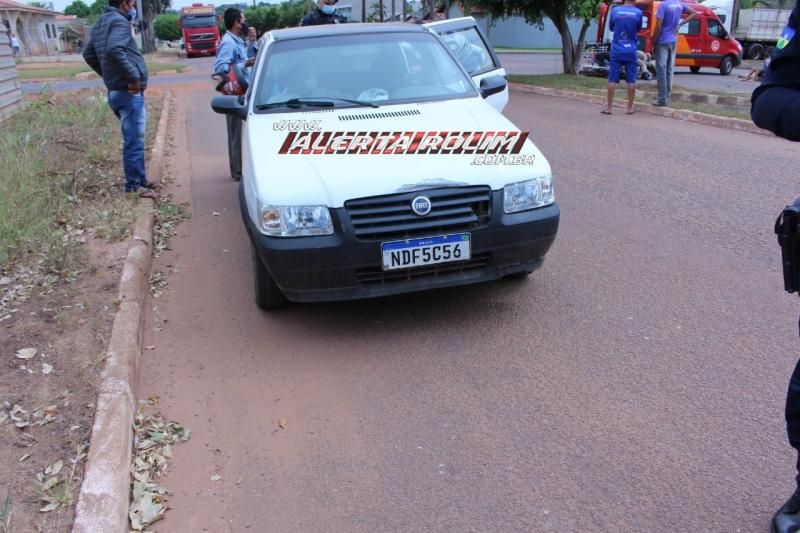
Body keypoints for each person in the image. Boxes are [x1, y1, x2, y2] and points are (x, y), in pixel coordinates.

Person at [82, 0, 158, 199]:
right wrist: (132, 77)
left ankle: (140, 179)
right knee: (133, 140)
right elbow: (114, 50)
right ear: (125, 3)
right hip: (128, 92)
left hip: (116, 91)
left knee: (135, 138)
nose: (133, 6)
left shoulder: (101, 22)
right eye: (132, 2)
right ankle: (134, 186)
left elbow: (88, 53)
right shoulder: (119, 22)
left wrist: (109, 75)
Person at [214, 8, 256, 181]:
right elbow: (220, 69)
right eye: (243, 20)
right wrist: (243, 64)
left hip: (245, 90)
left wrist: (252, 42)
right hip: (234, 94)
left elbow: (247, 58)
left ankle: (243, 169)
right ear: (236, 23)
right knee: (235, 133)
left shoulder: (238, 41)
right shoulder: (228, 43)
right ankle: (237, 173)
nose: (245, 23)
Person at [651, 0, 697, 107]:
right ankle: (667, 97)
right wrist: (680, 24)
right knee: (669, 70)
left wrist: (653, 42)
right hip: (673, 40)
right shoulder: (679, 3)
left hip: (662, 41)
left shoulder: (663, 5)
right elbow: (694, 13)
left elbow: (658, 25)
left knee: (661, 70)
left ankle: (662, 98)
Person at [602, 0, 643, 115]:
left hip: (617, 50)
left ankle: (609, 108)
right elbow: (638, 28)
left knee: (612, 79)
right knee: (631, 80)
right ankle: (629, 108)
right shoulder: (638, 12)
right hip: (631, 50)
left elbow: (611, 27)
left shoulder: (615, 10)